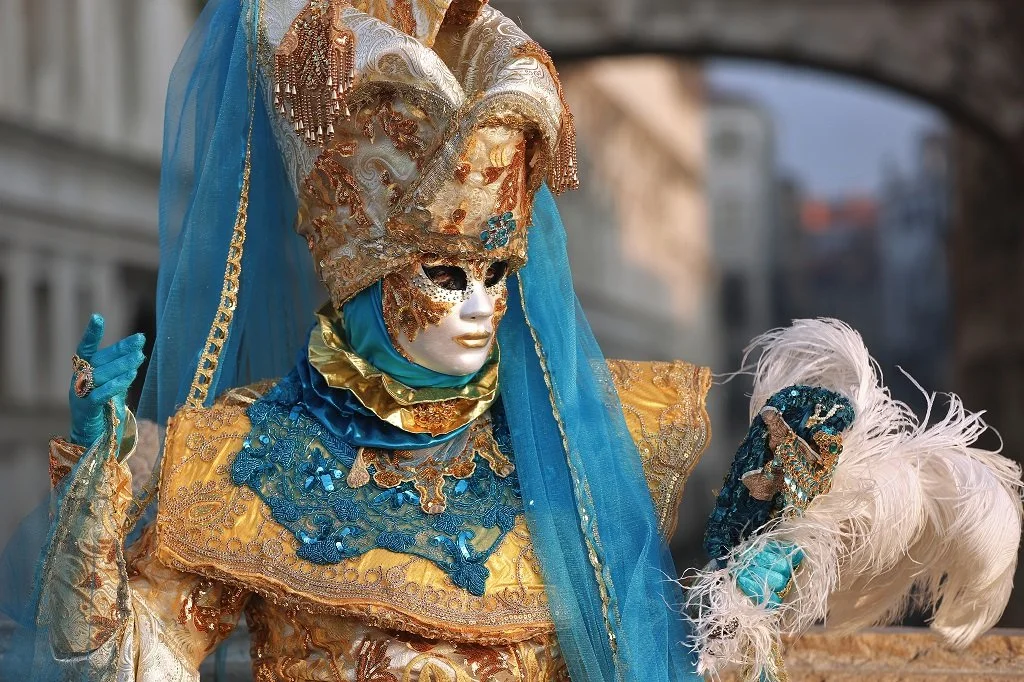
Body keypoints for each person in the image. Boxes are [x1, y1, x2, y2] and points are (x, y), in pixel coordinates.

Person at [5, 1, 1021, 681]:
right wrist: (99, 491)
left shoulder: (567, 454)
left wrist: (744, 597)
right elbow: (133, 660)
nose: (480, 306)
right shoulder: (244, 455)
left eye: (497, 274)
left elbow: (639, 663)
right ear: (362, 280)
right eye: (443, 275)